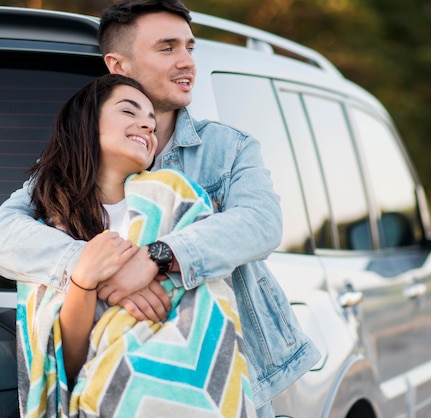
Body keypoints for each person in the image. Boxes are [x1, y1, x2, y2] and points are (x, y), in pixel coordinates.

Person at [0, 0, 320, 416]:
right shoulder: (64, 171)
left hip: (225, 382)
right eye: (167, 48)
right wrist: (103, 267)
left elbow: (259, 224)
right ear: (119, 65)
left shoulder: (228, 148)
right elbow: (7, 229)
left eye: (189, 47)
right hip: (105, 386)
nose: (186, 61)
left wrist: (158, 258)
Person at [18, 73, 256, 417]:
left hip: (198, 398)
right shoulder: (49, 233)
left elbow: (212, 294)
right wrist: (85, 280)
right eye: (130, 112)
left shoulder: (178, 198)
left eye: (151, 121)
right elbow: (65, 364)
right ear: (86, 123)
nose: (147, 126)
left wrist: (147, 267)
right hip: (109, 401)